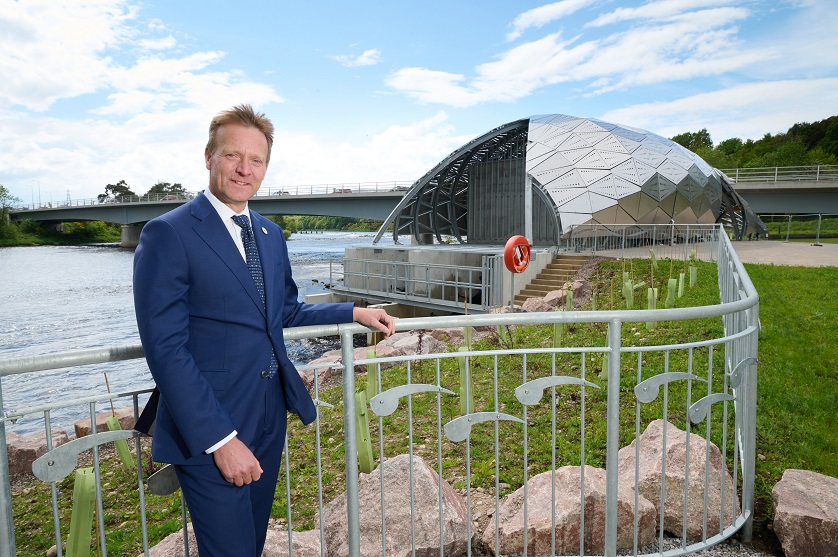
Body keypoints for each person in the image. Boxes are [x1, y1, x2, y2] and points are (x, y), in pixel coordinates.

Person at [133, 104, 395, 557]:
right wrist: (219, 440)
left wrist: (352, 312)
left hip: (268, 417)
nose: (244, 169)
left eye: (256, 160)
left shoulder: (270, 235)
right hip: (211, 426)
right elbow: (166, 349)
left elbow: (284, 313)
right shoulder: (168, 233)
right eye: (233, 155)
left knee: (249, 545)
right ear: (209, 156)